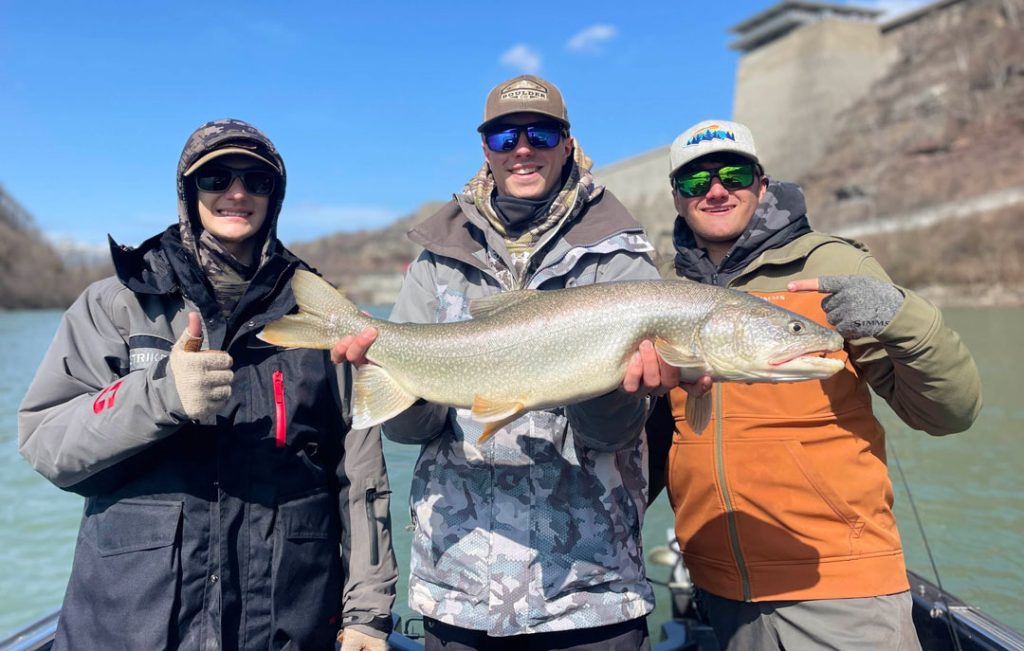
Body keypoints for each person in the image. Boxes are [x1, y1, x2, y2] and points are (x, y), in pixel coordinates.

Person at [18, 118, 396, 651]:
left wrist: (368, 612)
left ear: (275, 196)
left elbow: (359, 474)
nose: (236, 192)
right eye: (216, 177)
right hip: (131, 628)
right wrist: (161, 395)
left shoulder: (325, 316)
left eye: (256, 181)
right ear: (187, 192)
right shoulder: (114, 304)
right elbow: (48, 443)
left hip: (288, 626)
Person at [333, 74, 677, 650]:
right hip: (458, 591)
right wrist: (388, 370)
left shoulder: (622, 258)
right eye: (504, 136)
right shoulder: (436, 261)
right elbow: (410, 429)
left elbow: (614, 435)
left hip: (589, 595)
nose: (523, 147)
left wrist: (618, 390)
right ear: (485, 150)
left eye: (541, 133)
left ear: (568, 143)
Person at [649, 119, 982, 650]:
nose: (715, 190)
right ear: (676, 197)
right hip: (723, 591)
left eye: (732, 174)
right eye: (695, 182)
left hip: (840, 583)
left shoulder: (834, 264)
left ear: (761, 182)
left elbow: (947, 413)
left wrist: (903, 315)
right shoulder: (666, 294)